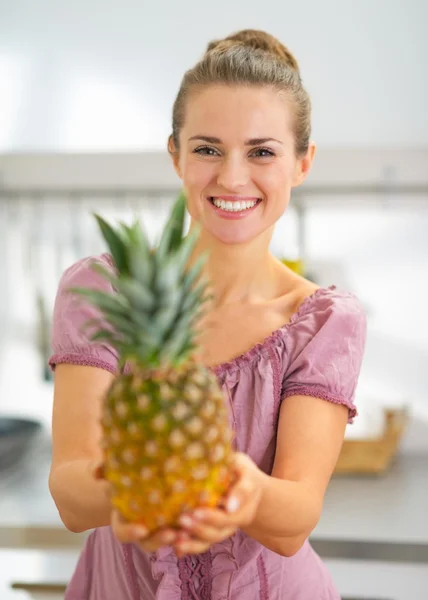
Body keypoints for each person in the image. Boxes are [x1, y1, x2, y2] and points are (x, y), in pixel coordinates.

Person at [48, 28, 367, 600]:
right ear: (175, 154)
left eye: (263, 152)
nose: (232, 177)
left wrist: (239, 488)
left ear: (302, 163)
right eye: (207, 148)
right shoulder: (106, 290)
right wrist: (144, 494)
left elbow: (294, 520)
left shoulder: (323, 321)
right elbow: (72, 494)